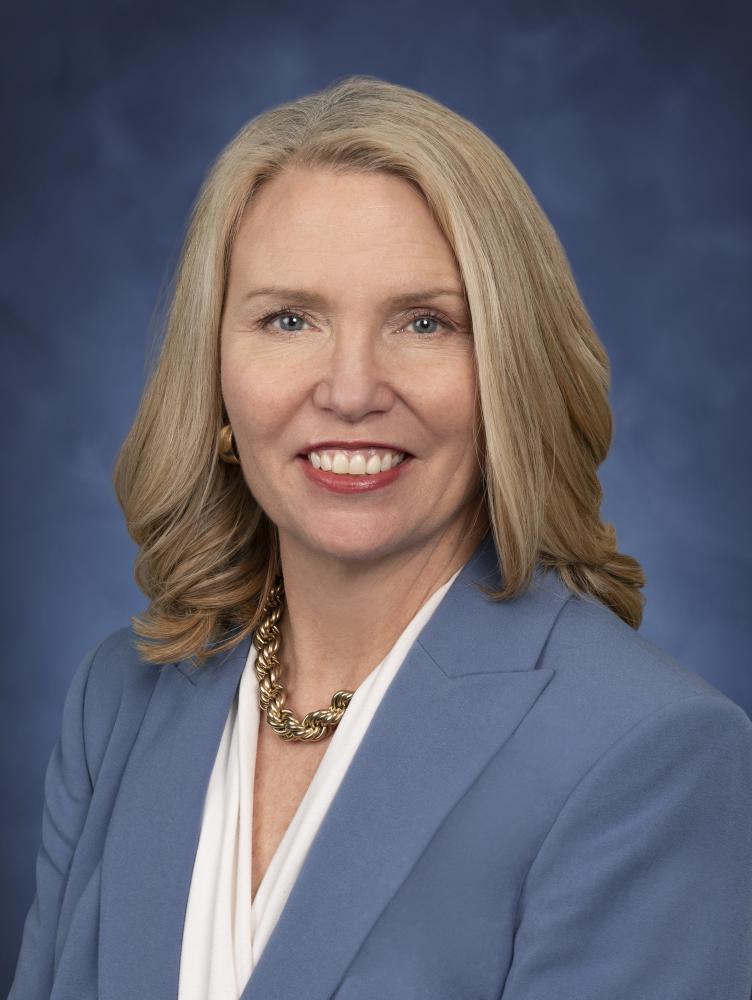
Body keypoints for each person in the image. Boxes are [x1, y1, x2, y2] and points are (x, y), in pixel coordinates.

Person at [9, 74, 752, 1000]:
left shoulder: (648, 754)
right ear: (215, 374)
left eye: (425, 322)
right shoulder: (119, 700)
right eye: (290, 319)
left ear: (508, 375)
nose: (352, 389)